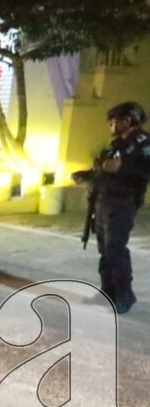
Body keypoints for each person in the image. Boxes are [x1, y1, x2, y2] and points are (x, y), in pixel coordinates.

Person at [72, 102, 150, 314]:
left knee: (116, 249)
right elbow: (103, 169)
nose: (112, 125)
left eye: (116, 121)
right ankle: (107, 293)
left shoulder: (143, 143)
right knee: (105, 250)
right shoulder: (115, 145)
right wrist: (86, 175)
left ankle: (125, 294)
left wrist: (122, 168)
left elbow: (145, 171)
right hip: (103, 202)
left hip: (123, 203)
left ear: (130, 120)